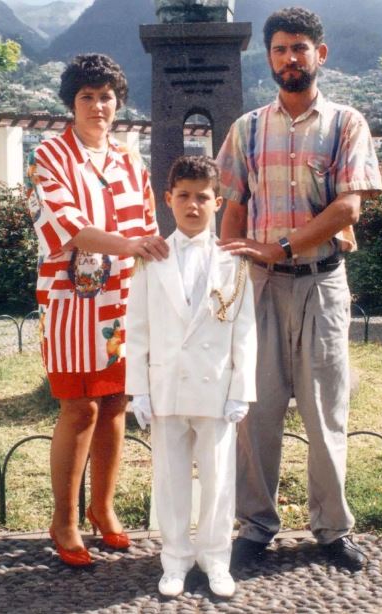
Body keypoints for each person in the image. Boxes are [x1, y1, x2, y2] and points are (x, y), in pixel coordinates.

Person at [216, 7, 382, 571]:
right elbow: (233, 207)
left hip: (320, 285)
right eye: (281, 49)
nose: (291, 58)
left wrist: (282, 247)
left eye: (300, 48)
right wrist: (231, 275)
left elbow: (348, 205)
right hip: (259, 288)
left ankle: (332, 528)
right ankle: (255, 524)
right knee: (254, 411)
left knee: (324, 411)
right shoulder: (247, 128)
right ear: (269, 58)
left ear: (321, 54)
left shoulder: (346, 124)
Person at [26, 53, 168, 566]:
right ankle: (63, 519)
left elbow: (148, 221)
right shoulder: (49, 154)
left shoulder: (130, 160)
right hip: (69, 301)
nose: (98, 105)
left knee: (115, 406)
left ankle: (102, 510)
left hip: (123, 301)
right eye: (87, 96)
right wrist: (130, 246)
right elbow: (67, 226)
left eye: (106, 96)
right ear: (73, 102)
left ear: (117, 101)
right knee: (78, 407)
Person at [125, 156, 257, 597]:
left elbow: (245, 331)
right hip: (166, 386)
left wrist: (241, 390)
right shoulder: (151, 258)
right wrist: (137, 390)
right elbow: (138, 329)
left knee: (219, 480)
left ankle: (216, 559)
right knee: (170, 477)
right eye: (183, 195)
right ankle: (175, 558)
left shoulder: (233, 260)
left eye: (203, 197)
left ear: (217, 202)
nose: (193, 205)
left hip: (215, 387)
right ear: (168, 199)